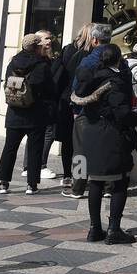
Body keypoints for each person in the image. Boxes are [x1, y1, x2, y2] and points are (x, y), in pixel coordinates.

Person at [70, 43, 137, 244]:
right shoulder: (113, 81)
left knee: (96, 182)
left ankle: (94, 229)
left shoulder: (89, 78)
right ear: (117, 59)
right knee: (119, 182)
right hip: (110, 134)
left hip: (91, 132)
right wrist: (136, 119)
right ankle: (114, 229)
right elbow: (121, 112)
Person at [0, 31, 56, 195]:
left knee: (10, 147)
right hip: (35, 113)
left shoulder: (13, 62)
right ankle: (31, 185)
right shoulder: (42, 65)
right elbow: (49, 89)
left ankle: (3, 183)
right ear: (36, 47)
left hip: (15, 112)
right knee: (35, 149)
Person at [45, 24, 92, 196]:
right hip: (80, 102)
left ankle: (68, 175)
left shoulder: (67, 50)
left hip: (65, 101)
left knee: (68, 141)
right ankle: (79, 178)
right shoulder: (91, 55)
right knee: (81, 144)